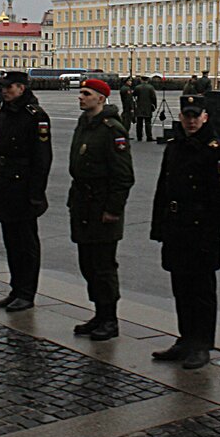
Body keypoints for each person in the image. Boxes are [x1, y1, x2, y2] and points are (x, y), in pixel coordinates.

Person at [150, 94, 220, 369]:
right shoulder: (174, 146)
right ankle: (185, 339)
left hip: (201, 231)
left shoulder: (216, 151)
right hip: (177, 227)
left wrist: (212, 238)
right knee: (181, 287)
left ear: (205, 117)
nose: (192, 121)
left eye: (196, 116)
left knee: (202, 292)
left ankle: (202, 345)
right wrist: (158, 227)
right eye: (187, 116)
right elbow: (164, 188)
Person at [68, 78, 135, 340]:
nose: (81, 97)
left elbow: (123, 176)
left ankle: (110, 318)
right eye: (81, 93)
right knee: (87, 263)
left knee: (103, 265)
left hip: (102, 207)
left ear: (101, 98)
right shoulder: (84, 124)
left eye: (87, 93)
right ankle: (98, 313)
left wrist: (113, 209)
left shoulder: (112, 130)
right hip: (82, 204)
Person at [0, 71, 53, 312]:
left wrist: (36, 193)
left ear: (21, 88)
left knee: (26, 244)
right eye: (2, 87)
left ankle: (27, 293)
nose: (4, 91)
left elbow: (42, 159)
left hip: (24, 187)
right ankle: (15, 288)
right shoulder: (6, 111)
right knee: (11, 241)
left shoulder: (35, 116)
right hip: (6, 185)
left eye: (8, 87)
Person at [134, 76, 157, 142]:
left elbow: (134, 96)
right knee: (148, 123)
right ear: (147, 80)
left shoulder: (137, 87)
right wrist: (154, 106)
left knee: (139, 123)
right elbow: (153, 98)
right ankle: (149, 137)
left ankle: (139, 137)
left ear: (141, 80)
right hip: (148, 107)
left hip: (139, 107)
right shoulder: (150, 87)